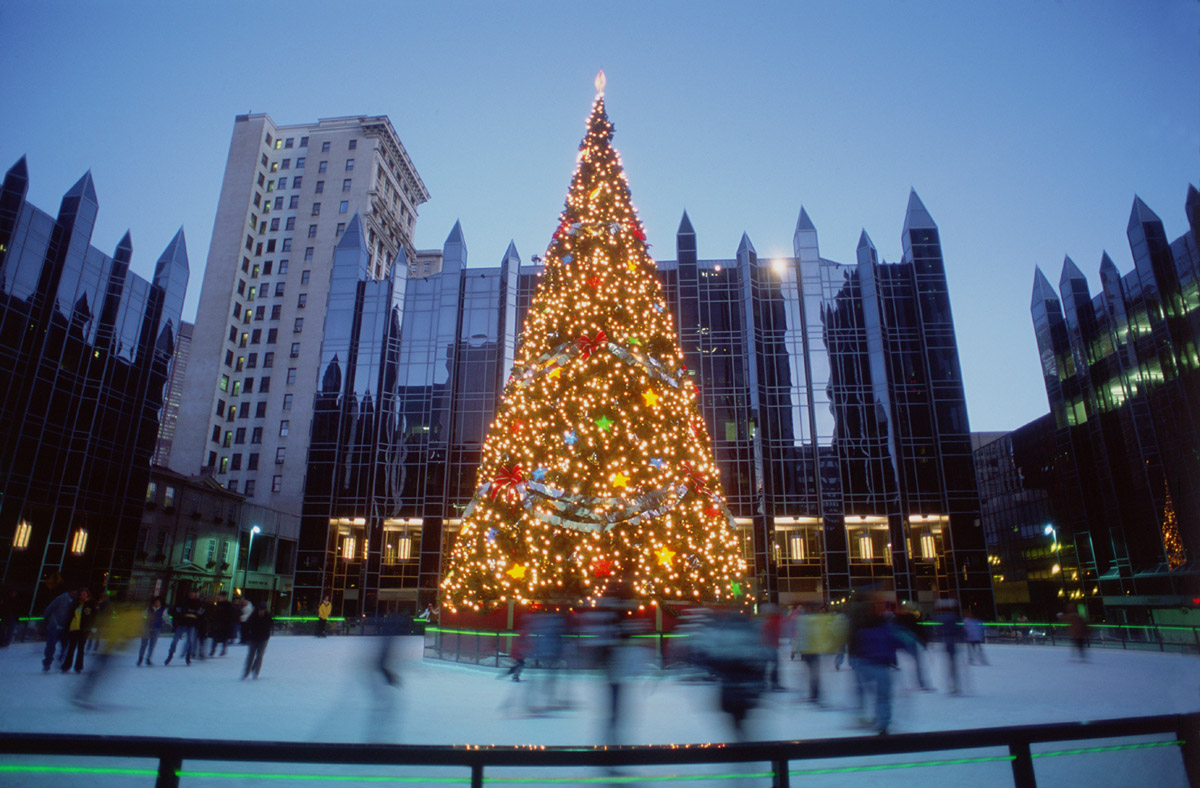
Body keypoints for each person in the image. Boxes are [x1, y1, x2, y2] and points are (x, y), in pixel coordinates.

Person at [853, 608, 904, 735]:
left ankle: (877, 716)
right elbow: (899, 643)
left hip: (866, 667)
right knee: (883, 697)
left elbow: (858, 647)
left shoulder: (863, 632)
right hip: (882, 667)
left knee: (874, 694)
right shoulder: (887, 631)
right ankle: (883, 724)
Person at [164, 590, 205, 665]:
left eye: (194, 594)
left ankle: (188, 656)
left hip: (191, 625)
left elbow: (201, 615)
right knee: (175, 641)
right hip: (182, 624)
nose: (193, 596)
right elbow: (176, 612)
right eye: (192, 594)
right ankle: (170, 654)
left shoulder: (198, 604)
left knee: (190, 641)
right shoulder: (183, 602)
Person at [61, 588, 96, 674]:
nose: (83, 596)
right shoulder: (76, 603)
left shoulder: (90, 604)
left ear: (87, 595)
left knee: (81, 649)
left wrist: (92, 626)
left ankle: (78, 666)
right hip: (74, 628)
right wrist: (67, 626)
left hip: (84, 629)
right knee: (71, 648)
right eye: (81, 594)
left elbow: (94, 616)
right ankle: (66, 666)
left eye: (84, 594)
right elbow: (70, 615)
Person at [41, 587, 76, 671]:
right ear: (70, 591)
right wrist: (45, 618)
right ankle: (47, 661)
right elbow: (50, 607)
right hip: (55, 625)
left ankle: (61, 659)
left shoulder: (75, 601)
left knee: (65, 645)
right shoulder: (61, 598)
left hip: (65, 627)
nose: (75, 593)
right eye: (74, 591)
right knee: (51, 644)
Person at [933, 598, 963, 694]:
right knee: (952, 663)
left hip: (946, 640)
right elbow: (958, 628)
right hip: (952, 640)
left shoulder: (940, 617)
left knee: (949, 663)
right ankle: (955, 685)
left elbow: (938, 629)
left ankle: (951, 685)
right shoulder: (953, 616)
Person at [242, 603, 272, 679]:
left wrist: (266, 635)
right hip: (253, 638)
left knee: (259, 656)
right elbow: (248, 626)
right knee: (250, 656)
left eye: (263, 610)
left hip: (263, 639)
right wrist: (248, 635)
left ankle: (255, 671)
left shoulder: (268, 617)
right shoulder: (253, 616)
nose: (261, 612)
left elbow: (270, 626)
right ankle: (246, 671)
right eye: (260, 610)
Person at [137, 597, 166, 666]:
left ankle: (148, 658)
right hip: (147, 627)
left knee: (152, 644)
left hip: (156, 628)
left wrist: (164, 624)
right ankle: (140, 658)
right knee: (144, 644)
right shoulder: (148, 609)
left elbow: (166, 618)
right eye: (156, 602)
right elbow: (142, 616)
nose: (157, 604)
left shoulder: (163, 610)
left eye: (158, 602)